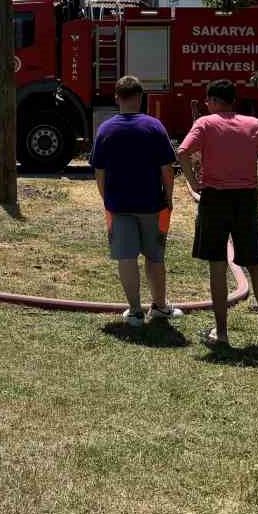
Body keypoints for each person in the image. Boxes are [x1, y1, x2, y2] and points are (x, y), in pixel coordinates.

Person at [177, 78, 258, 352]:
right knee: (255, 265)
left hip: (214, 200)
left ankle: (221, 334)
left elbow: (183, 152)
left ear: (214, 101)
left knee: (218, 265)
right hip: (246, 200)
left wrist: (195, 183)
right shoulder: (253, 124)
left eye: (208, 101)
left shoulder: (205, 124)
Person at [90, 74, 182, 327]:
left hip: (118, 205)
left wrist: (106, 198)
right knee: (155, 257)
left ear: (117, 98)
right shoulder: (154, 127)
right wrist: (168, 197)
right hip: (152, 204)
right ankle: (160, 307)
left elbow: (99, 172)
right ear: (141, 98)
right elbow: (167, 168)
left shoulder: (105, 129)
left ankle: (135, 311)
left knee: (126, 258)